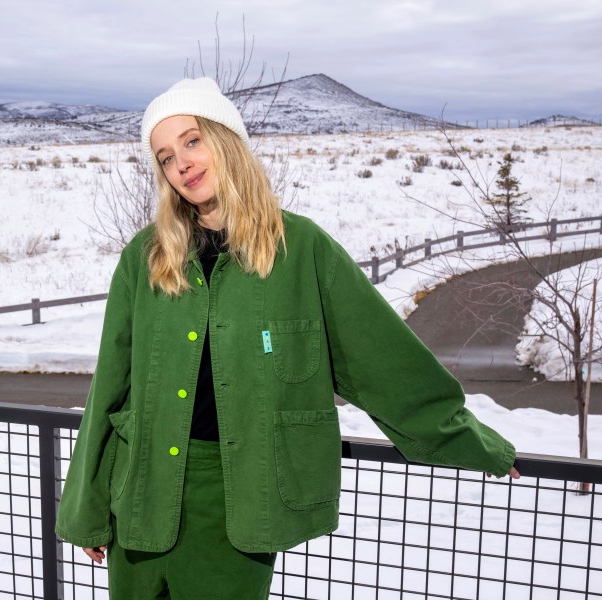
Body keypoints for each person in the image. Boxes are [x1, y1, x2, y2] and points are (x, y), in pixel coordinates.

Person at [54, 77, 519, 599]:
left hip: (239, 503)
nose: (181, 163)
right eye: (164, 156)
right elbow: (110, 387)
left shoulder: (300, 249)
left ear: (226, 140)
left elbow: (379, 359)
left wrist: (473, 443)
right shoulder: (146, 257)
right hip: (141, 493)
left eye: (192, 140)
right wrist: (86, 509)